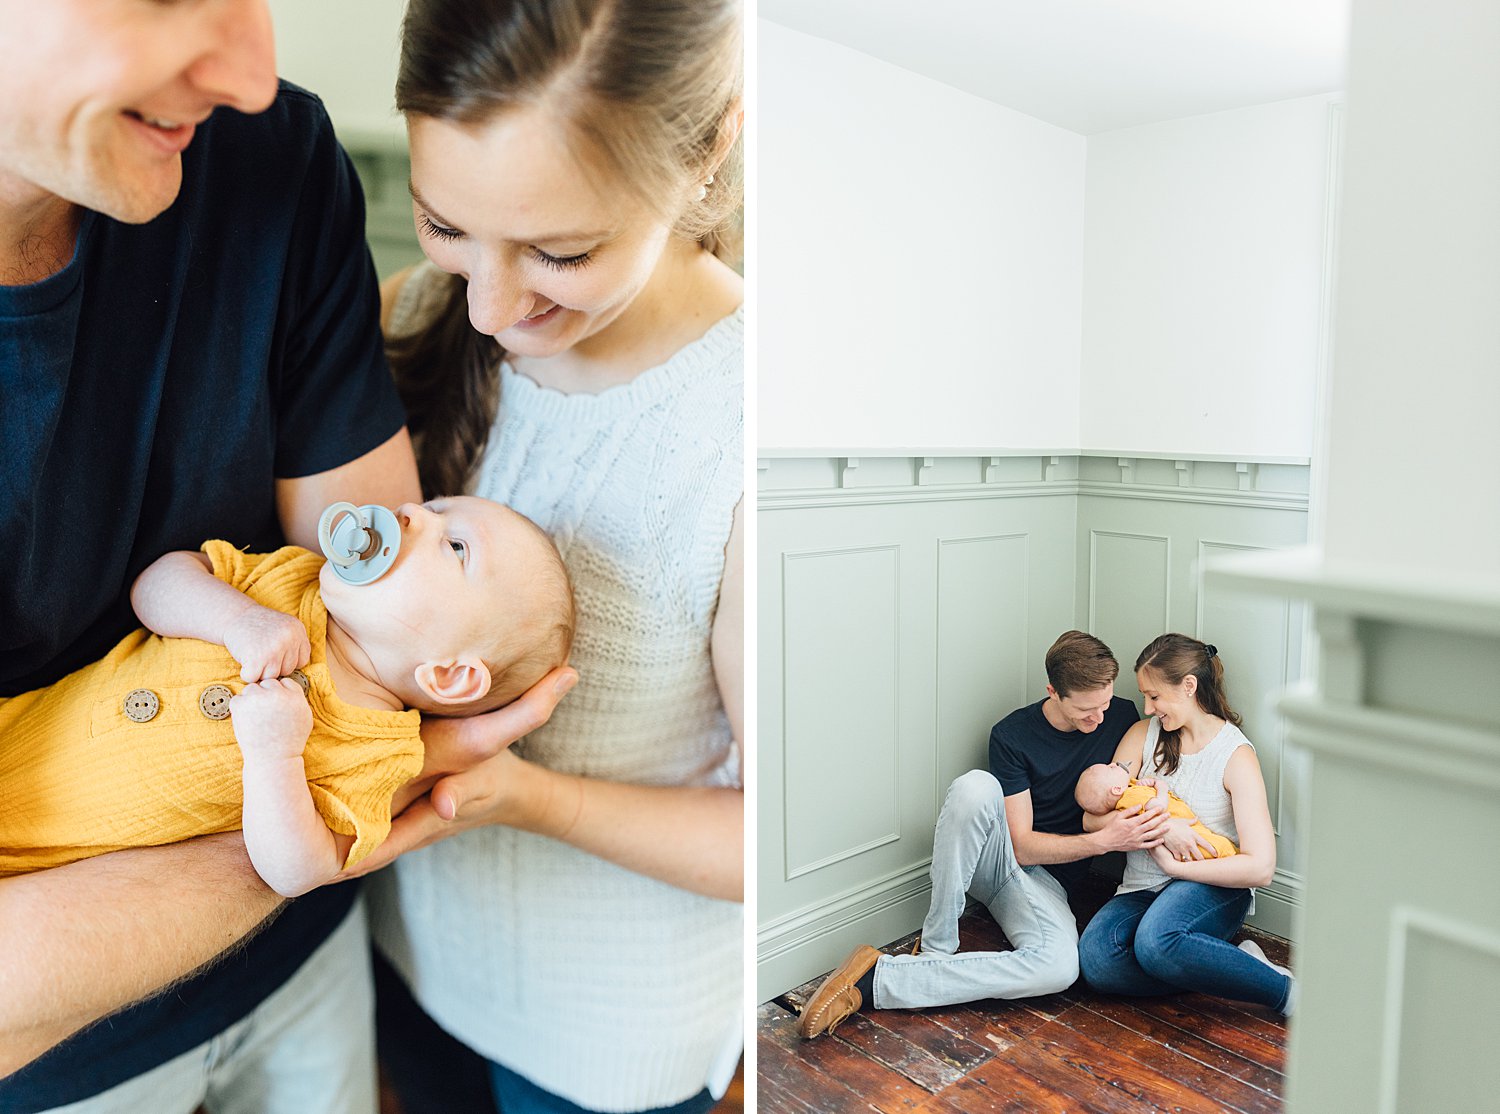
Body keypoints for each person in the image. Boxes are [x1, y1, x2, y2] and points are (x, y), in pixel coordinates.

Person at [0, 3, 571, 1110]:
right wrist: (240, 625)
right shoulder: (285, 600)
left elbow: (313, 864)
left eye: (448, 537)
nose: (257, 77)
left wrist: (330, 750)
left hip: (298, 967)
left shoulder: (268, 161)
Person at [354, 1, 746, 1112]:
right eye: (443, 224)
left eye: (563, 252)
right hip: (407, 960)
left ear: (708, 149)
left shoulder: (737, 429)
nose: (487, 303)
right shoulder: (425, 305)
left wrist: (527, 797)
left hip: (603, 1041)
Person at [0, 497, 574, 897]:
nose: (413, 513)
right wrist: (238, 619)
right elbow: (155, 584)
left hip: (36, 861)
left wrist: (275, 757)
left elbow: (299, 872)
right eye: (439, 504)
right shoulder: (289, 580)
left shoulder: (380, 754)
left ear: (449, 676)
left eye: (454, 545)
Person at [798, 631, 1166, 1039]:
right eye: (1085, 710)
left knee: (1060, 967)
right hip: (1002, 860)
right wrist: (1102, 842)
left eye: (1104, 704)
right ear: (1053, 692)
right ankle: (938, 944)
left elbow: (1137, 788)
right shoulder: (1012, 735)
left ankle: (878, 980)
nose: (1098, 719)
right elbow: (1023, 847)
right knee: (976, 786)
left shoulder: (1120, 715)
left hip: (1048, 885)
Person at [1077, 635, 1295, 1016]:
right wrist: (1165, 829)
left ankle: (1284, 992)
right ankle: (1223, 968)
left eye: (1155, 696)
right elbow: (1092, 817)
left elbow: (1260, 867)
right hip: (1142, 886)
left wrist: (1178, 867)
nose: (1147, 708)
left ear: (1189, 686)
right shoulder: (1142, 737)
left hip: (1212, 886)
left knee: (1156, 943)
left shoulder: (1235, 756)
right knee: (1097, 961)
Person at [1074, 763, 1238, 861]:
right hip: (1188, 834)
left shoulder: (1131, 790)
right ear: (1116, 789)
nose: (1114, 764)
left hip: (1186, 831)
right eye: (1110, 768)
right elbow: (1158, 808)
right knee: (1217, 848)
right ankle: (1234, 861)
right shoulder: (1131, 795)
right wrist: (1161, 787)